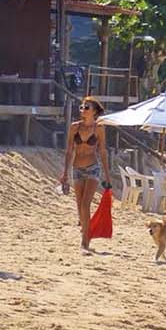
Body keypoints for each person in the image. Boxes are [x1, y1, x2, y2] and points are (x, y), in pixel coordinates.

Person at [59, 96, 111, 252]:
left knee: (85, 204)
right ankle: (85, 228)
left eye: (86, 108)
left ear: (94, 111)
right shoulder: (75, 127)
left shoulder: (99, 128)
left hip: (93, 168)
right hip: (77, 169)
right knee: (79, 206)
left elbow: (102, 151)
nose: (82, 110)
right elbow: (69, 150)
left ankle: (85, 243)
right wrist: (65, 173)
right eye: (81, 107)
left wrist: (107, 176)